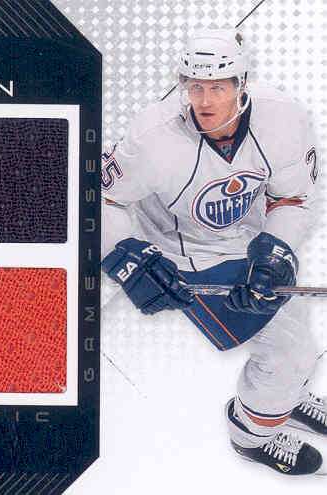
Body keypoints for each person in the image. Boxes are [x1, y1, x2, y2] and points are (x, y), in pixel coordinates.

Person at [101, 28, 326, 475]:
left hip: (253, 240)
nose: (205, 101)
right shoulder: (153, 137)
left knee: (297, 335)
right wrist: (129, 259)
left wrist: (275, 252)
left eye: (218, 88)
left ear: (242, 85)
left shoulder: (283, 118)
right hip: (187, 258)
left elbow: (293, 197)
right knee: (285, 353)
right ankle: (251, 435)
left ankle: (285, 398)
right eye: (195, 87)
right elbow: (100, 199)